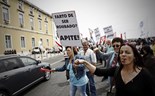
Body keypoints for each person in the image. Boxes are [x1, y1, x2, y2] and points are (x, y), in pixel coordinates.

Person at [75, 43, 155, 96]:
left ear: (135, 56)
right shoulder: (117, 70)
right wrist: (85, 62)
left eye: (127, 52)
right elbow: (98, 71)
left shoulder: (144, 74)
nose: (123, 54)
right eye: (121, 52)